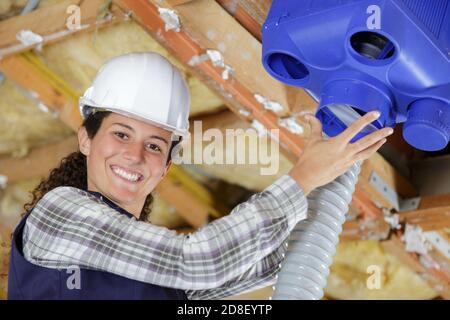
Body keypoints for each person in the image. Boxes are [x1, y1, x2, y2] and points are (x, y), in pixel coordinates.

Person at [7, 52, 393, 300]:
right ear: (86, 139)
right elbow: (200, 263)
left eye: (155, 145)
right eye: (121, 134)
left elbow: (268, 261)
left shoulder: (159, 275)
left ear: (166, 166)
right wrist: (303, 177)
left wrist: (330, 168)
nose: (136, 155)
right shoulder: (59, 212)